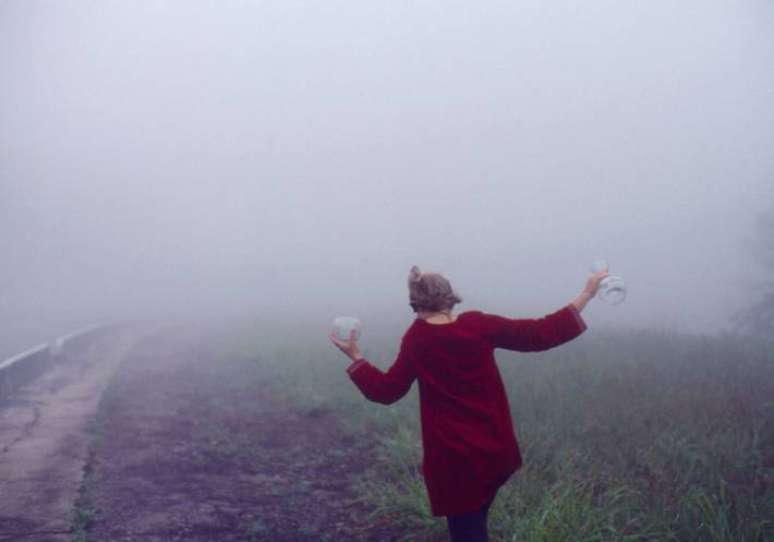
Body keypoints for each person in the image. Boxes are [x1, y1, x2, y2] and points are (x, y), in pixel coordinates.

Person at [329, 265, 609, 542]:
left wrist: (357, 358)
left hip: (455, 462)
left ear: (415, 301)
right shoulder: (478, 325)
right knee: (474, 528)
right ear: (449, 297)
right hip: (495, 453)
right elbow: (539, 333)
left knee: (467, 533)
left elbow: (387, 391)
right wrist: (586, 293)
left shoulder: (419, 338)